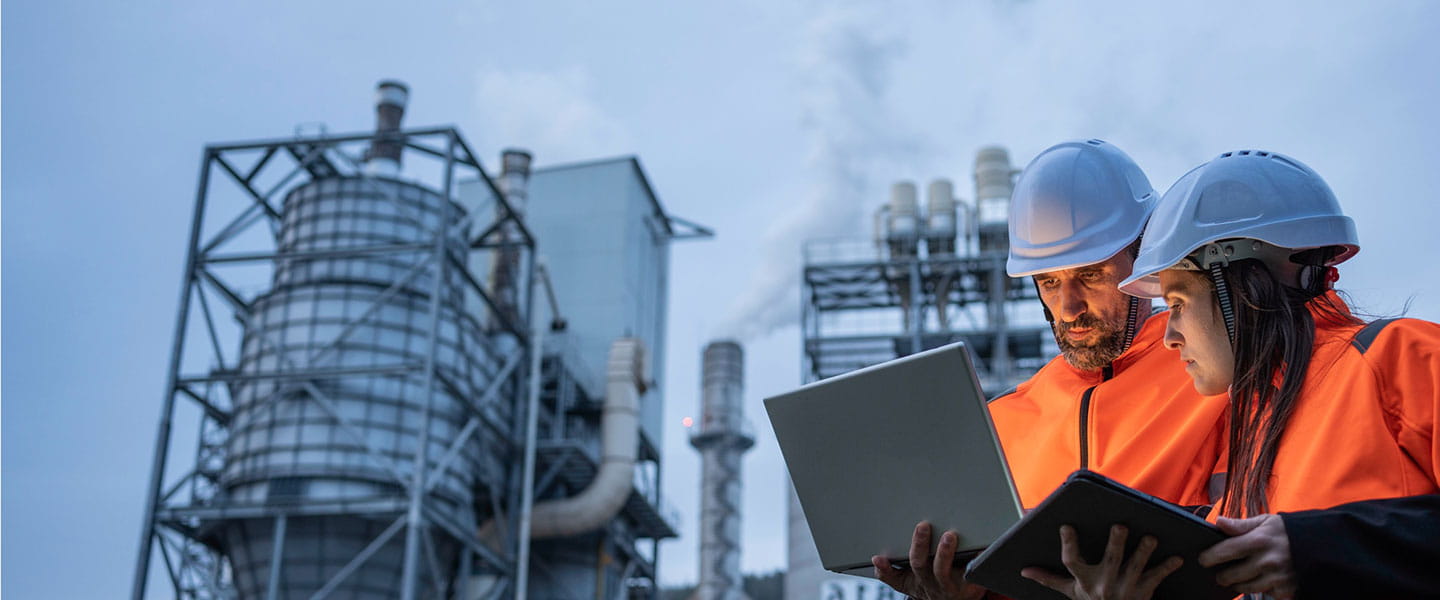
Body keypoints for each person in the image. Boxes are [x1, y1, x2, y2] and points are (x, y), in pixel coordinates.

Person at [1023, 149, 1440, 599]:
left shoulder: (1400, 358)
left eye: (1178, 304)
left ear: (1241, 288)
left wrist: (1316, 546)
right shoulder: (1252, 443)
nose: (1169, 337)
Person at [873, 140, 1230, 600]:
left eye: (1091, 274)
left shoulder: (1216, 373)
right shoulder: (1003, 424)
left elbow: (1253, 549)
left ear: (1145, 256)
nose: (1069, 307)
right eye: (1049, 281)